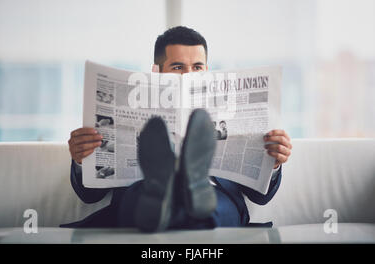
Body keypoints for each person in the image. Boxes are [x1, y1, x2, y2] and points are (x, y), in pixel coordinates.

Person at [63, 26, 292, 231]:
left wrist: (272, 163)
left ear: (207, 69)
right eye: (178, 67)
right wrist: (83, 160)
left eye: (197, 67)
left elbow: (260, 197)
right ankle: (168, 191)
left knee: (213, 210)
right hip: (143, 190)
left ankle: (191, 189)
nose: (189, 75)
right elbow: (89, 195)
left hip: (216, 194)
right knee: (141, 202)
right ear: (157, 72)